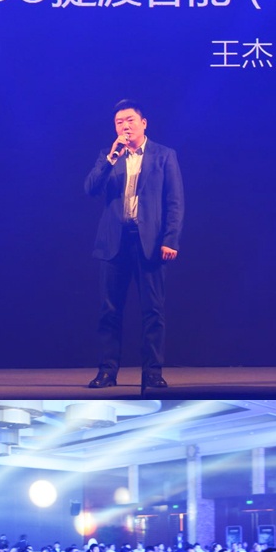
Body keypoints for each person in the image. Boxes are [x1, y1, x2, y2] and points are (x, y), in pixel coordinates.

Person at [85, 99, 184, 390]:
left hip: (150, 243)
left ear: (143, 123)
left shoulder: (164, 155)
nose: (124, 126)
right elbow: (90, 189)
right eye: (119, 122)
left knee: (153, 311)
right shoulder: (109, 156)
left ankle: (152, 372)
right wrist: (110, 158)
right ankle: (107, 372)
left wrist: (170, 239)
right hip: (114, 243)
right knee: (109, 310)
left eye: (129, 120)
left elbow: (175, 202)